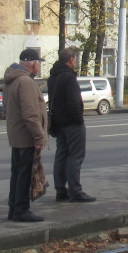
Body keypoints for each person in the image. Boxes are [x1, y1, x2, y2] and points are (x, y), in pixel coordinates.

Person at [3, 48, 48, 222]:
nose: (39, 67)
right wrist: (39, 136)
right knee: (24, 174)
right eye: (38, 64)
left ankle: (13, 208)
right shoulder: (26, 82)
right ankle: (21, 209)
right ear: (33, 64)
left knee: (17, 173)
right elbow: (30, 114)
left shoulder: (11, 80)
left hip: (16, 134)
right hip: (26, 136)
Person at [46, 47, 96, 203]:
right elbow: (74, 102)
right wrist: (79, 119)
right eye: (75, 59)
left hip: (58, 122)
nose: (76, 61)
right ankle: (76, 191)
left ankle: (60, 190)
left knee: (61, 154)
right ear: (71, 59)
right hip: (72, 122)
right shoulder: (69, 77)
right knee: (75, 156)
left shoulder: (53, 76)